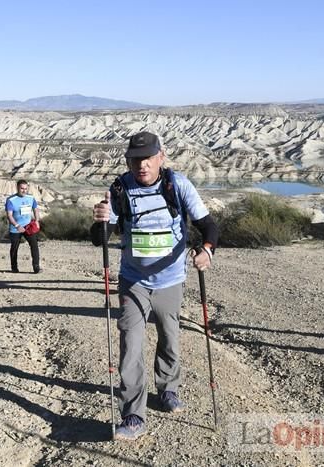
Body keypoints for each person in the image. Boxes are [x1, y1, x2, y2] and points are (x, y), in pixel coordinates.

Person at [91, 131, 219, 441]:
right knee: (130, 345)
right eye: (135, 159)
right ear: (128, 161)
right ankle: (133, 414)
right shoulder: (119, 190)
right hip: (133, 281)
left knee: (170, 338)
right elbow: (100, 241)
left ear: (161, 157)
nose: (141, 164)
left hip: (171, 281)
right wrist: (100, 221)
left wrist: (207, 250)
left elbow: (209, 225)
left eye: (147, 158)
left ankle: (168, 389)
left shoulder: (178, 186)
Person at [5, 179, 41, 273]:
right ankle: (14, 267)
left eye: (25, 188)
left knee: (34, 245)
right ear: (17, 188)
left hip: (28, 226)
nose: (24, 190)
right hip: (15, 228)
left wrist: (37, 220)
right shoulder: (11, 200)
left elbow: (36, 209)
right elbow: (9, 215)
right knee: (14, 247)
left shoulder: (31, 198)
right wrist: (17, 226)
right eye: (22, 188)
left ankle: (36, 267)